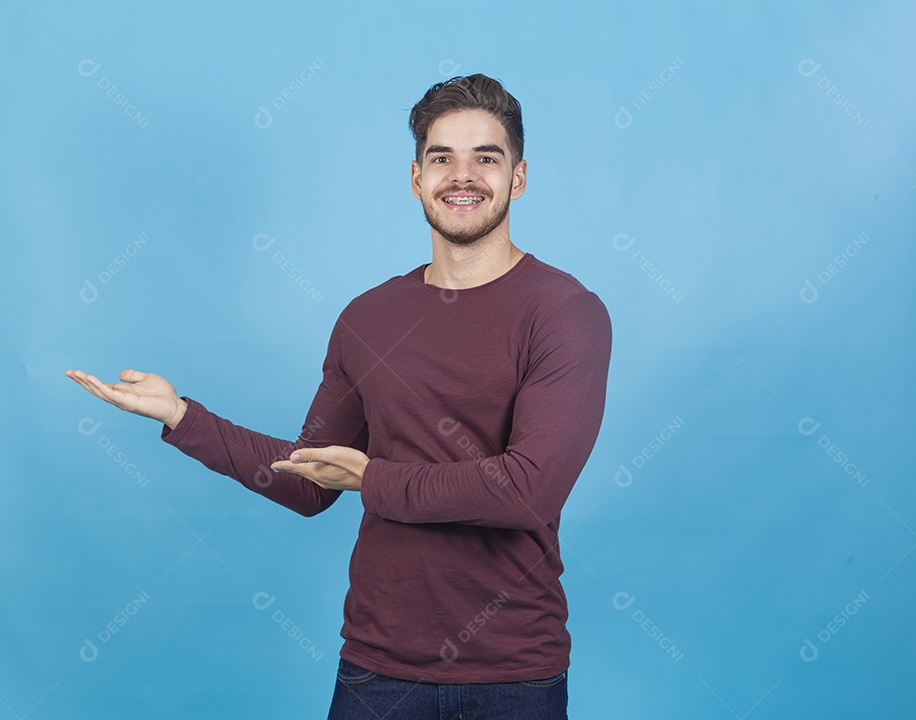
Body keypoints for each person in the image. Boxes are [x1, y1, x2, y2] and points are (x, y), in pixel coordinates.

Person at [67, 73, 611, 720]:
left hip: (513, 679)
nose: (462, 176)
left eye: (485, 158)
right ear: (416, 178)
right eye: (442, 158)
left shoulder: (564, 312)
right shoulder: (369, 317)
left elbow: (529, 491)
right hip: (376, 672)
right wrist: (184, 418)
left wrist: (375, 480)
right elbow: (311, 480)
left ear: (518, 178)